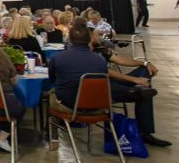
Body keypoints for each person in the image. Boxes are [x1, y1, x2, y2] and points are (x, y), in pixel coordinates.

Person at [49, 20, 170, 148]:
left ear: (71, 39)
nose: (99, 37)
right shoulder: (99, 60)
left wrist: (144, 63)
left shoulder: (58, 58)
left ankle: (53, 139)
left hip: (71, 104)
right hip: (98, 102)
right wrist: (134, 80)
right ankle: (137, 90)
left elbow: (53, 79)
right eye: (96, 35)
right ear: (88, 38)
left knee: (50, 94)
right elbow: (108, 72)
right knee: (141, 91)